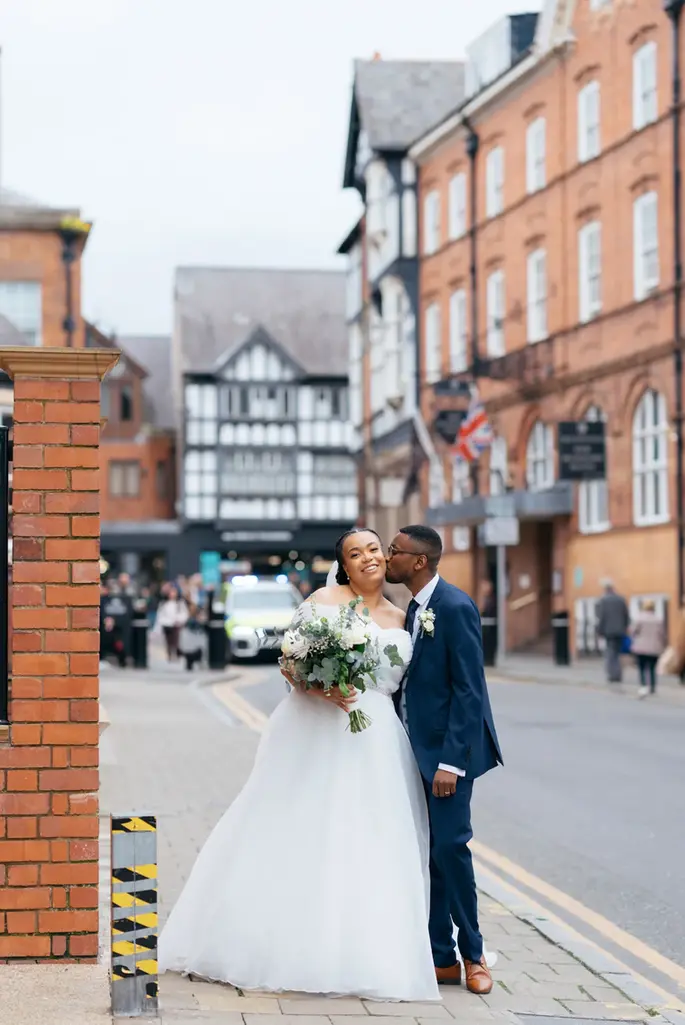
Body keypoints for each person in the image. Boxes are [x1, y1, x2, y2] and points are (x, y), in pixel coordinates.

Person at [158, 527, 440, 1001]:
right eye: (355, 554)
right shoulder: (322, 601)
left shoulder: (406, 616)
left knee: (368, 837)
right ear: (343, 565)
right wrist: (320, 687)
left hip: (377, 739)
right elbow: (290, 664)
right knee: (298, 826)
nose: (367, 558)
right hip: (315, 726)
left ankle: (363, 951)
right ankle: (272, 940)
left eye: (373, 549)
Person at [385, 525, 502, 996]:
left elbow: (470, 691)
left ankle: (474, 955)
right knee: (426, 854)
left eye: (395, 550)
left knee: (451, 850)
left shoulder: (453, 606)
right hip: (408, 752)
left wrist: (452, 764)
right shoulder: (411, 609)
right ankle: (440, 958)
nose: (388, 556)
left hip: (446, 757)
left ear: (418, 561)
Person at [629, 599, 665, 698]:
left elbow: (633, 631)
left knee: (642, 668)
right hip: (654, 647)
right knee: (652, 668)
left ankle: (643, 686)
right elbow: (662, 634)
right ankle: (653, 687)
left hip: (641, 647)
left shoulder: (639, 619)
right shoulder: (658, 620)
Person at [596, 579, 630, 684]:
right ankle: (618, 674)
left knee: (610, 653)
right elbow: (626, 616)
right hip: (620, 631)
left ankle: (612, 674)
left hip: (609, 631)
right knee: (617, 652)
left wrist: (599, 631)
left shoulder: (603, 601)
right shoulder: (621, 599)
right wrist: (625, 627)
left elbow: (602, 617)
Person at [156, 585, 188, 662]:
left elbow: (184, 614)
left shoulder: (179, 603)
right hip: (167, 624)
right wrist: (163, 622)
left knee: (176, 640)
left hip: (176, 624)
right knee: (168, 640)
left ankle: (176, 654)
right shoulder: (164, 603)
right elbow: (160, 614)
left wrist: (179, 620)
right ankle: (169, 654)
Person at [178, 603, 207, 671]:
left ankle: (190, 665)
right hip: (194, 644)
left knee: (189, 660)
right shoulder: (193, 621)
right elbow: (198, 632)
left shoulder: (189, 620)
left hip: (188, 645)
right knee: (197, 653)